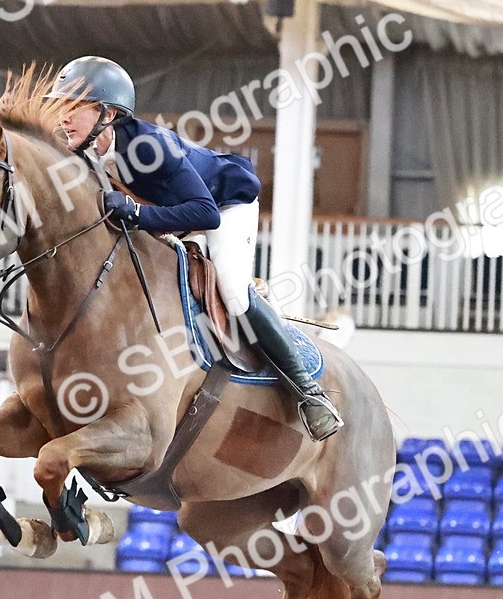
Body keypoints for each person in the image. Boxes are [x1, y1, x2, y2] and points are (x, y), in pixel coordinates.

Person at [44, 56, 343, 441]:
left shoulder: (149, 146)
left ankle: (309, 393)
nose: (62, 118)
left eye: (72, 108)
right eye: (60, 108)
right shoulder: (82, 153)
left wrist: (134, 211)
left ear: (107, 113)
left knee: (233, 292)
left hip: (224, 204)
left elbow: (205, 214)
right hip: (173, 212)